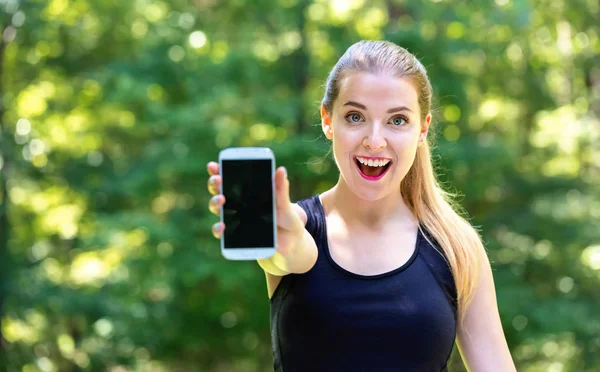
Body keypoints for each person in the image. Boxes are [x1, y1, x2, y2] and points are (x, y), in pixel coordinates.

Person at [206, 40, 516, 371]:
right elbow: (292, 252)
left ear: (422, 129)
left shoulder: (456, 246)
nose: (374, 139)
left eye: (397, 121)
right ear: (328, 120)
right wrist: (277, 235)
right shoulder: (296, 227)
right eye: (355, 116)